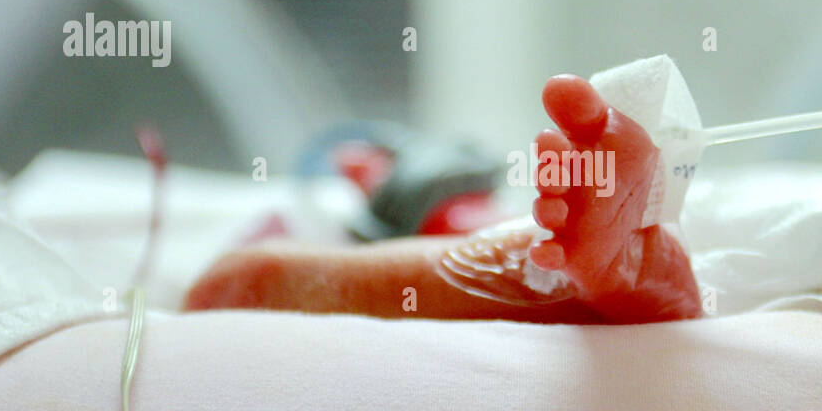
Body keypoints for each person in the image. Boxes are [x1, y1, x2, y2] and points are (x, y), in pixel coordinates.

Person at [184, 74, 702, 324]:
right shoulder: (323, 194)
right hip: (453, 218)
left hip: (444, 217)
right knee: (501, 226)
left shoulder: (384, 173)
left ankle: (560, 264)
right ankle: (577, 265)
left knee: (232, 285)